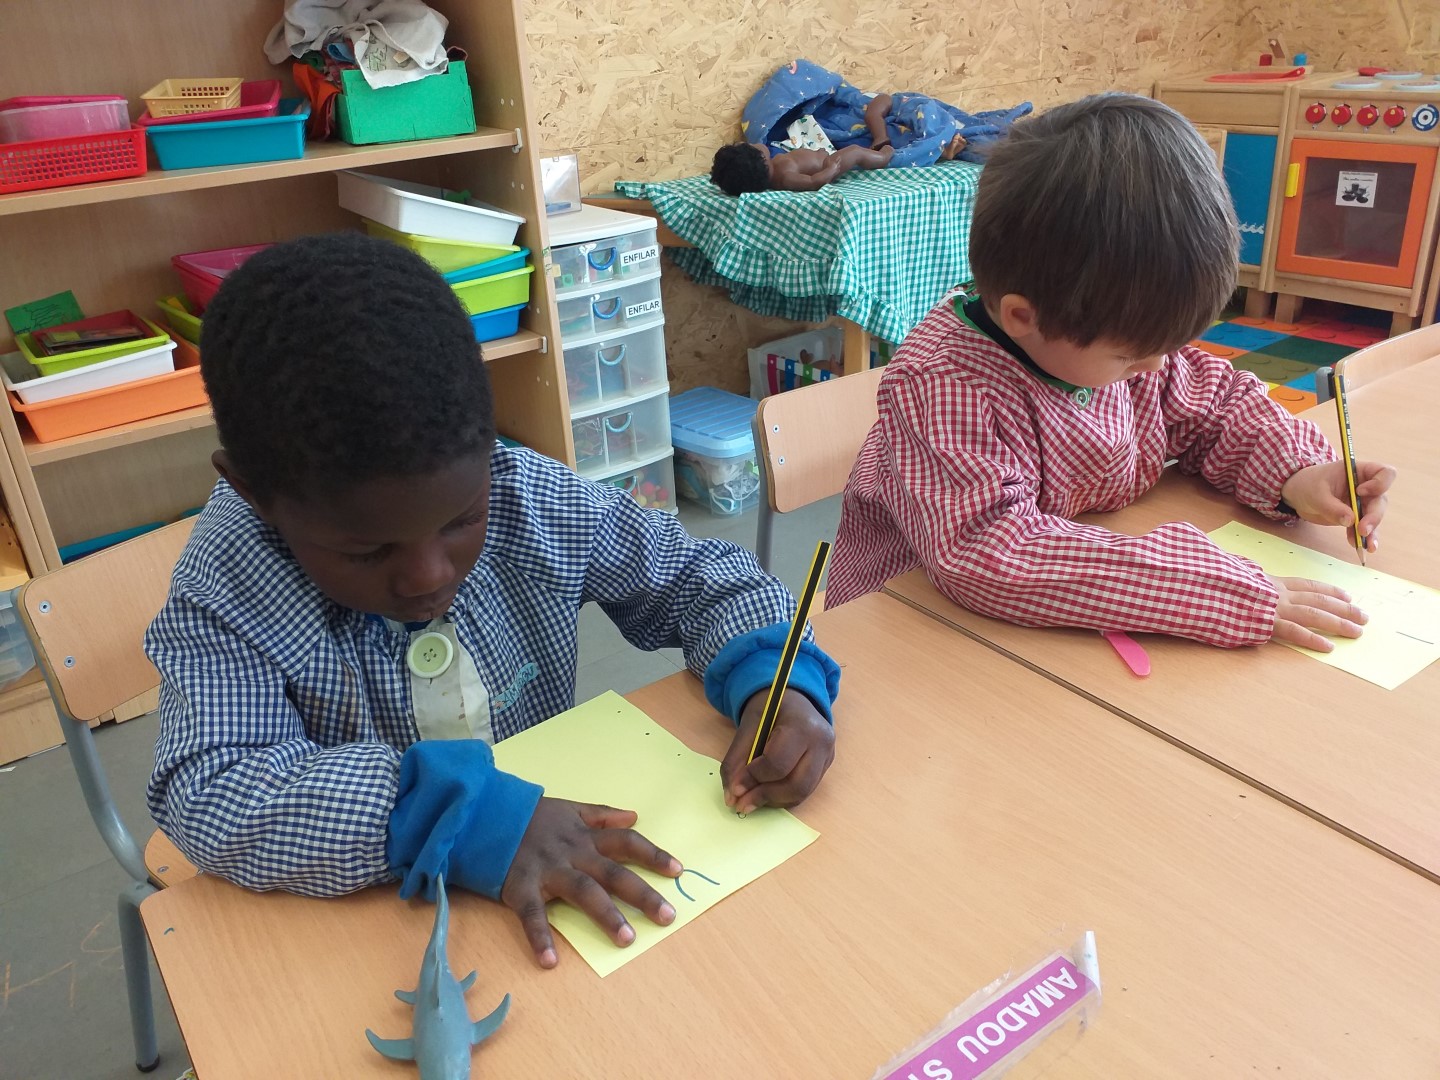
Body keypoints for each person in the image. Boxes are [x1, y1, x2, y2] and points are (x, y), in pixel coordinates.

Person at [146, 232, 841, 968]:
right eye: (366, 551)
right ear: (252, 491)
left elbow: (698, 576)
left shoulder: (523, 493)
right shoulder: (227, 585)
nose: (426, 575)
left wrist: (777, 680)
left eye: (461, 520)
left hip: (551, 886)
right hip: (373, 927)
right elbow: (211, 788)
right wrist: (470, 819)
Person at [827, 93, 1397, 652]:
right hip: (908, 626)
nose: (1158, 366)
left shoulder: (1108, 330)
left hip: (1067, 599)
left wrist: (1297, 474)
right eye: (1130, 356)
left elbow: (1217, 406)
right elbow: (992, 553)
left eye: (1169, 345)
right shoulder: (943, 385)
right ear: (1023, 318)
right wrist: (1208, 588)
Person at [711, 91, 897, 195]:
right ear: (762, 162)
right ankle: (883, 157)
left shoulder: (777, 166)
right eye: (751, 148)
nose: (754, 144)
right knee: (855, 151)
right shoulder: (785, 178)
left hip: (825, 154)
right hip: (830, 162)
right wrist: (830, 170)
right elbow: (813, 182)